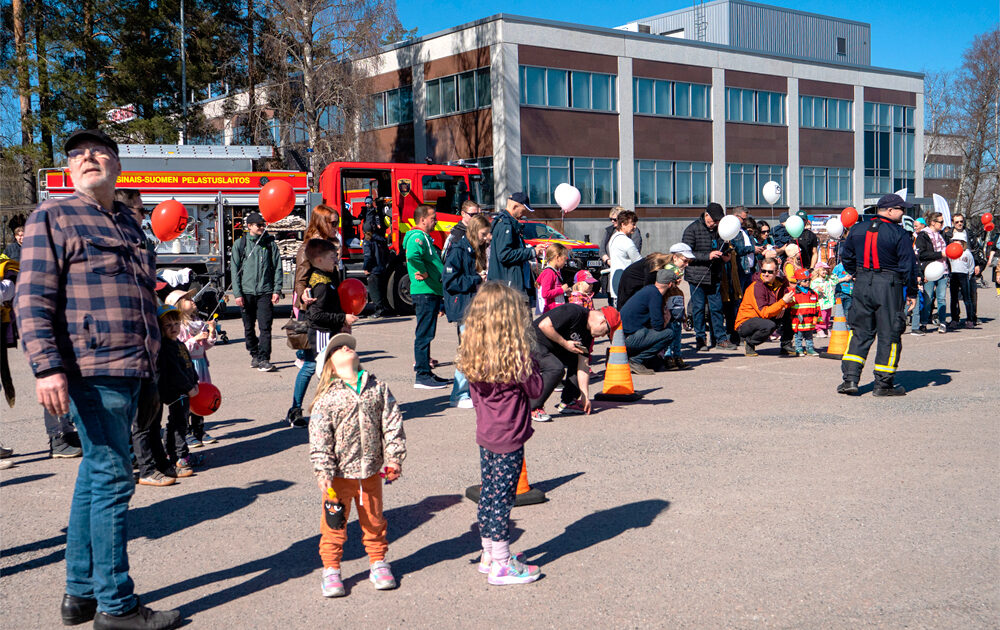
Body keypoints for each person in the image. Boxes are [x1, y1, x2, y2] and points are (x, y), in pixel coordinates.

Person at [14, 128, 180, 628]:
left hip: (134, 367)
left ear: (117, 166)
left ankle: (81, 593)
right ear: (69, 169)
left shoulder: (129, 222)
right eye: (78, 154)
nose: (88, 157)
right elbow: (31, 298)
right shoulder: (53, 216)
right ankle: (117, 605)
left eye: (99, 151)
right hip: (91, 370)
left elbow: (141, 294)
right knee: (113, 477)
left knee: (94, 476)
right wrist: (46, 367)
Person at [455, 283, 543, 585]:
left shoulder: (475, 357)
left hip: (487, 434)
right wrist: (532, 360)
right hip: (510, 438)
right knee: (503, 501)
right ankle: (503, 564)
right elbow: (536, 389)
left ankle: (489, 553)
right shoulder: (516, 358)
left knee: (489, 495)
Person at [309, 333, 405, 597]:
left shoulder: (378, 388)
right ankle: (331, 569)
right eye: (337, 348)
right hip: (338, 479)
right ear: (329, 366)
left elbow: (392, 423)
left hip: (370, 474)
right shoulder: (327, 398)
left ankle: (378, 563)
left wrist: (394, 458)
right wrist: (323, 471)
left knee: (375, 522)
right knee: (334, 526)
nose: (345, 347)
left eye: (348, 346)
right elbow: (319, 438)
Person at [837, 194, 918, 397]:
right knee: (889, 334)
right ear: (889, 211)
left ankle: (850, 380)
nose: (903, 213)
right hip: (889, 285)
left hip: (862, 283)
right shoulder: (900, 233)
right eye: (901, 209)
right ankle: (883, 384)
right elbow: (908, 266)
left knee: (859, 332)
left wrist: (857, 274)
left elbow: (846, 257)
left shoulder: (857, 229)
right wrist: (912, 292)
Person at [288, 238, 357, 426]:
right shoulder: (320, 284)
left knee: (329, 372)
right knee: (319, 370)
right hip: (320, 334)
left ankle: (330, 411)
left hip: (329, 331)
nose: (336, 259)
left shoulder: (329, 276)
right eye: (332, 256)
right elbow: (316, 315)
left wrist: (342, 321)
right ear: (319, 260)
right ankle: (304, 411)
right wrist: (342, 318)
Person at [528, 304, 617, 421]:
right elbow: (544, 325)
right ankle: (533, 407)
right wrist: (565, 343)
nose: (603, 336)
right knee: (555, 368)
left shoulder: (588, 336)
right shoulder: (574, 311)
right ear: (602, 322)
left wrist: (585, 396)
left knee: (577, 358)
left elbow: (584, 366)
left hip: (553, 347)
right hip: (531, 341)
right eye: (606, 332)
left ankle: (569, 401)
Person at [443, 213, 491, 408]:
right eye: (483, 234)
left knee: (476, 351)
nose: (486, 238)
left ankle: (470, 391)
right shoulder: (458, 250)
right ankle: (459, 394)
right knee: (468, 352)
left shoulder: (474, 249)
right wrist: (477, 279)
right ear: (474, 231)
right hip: (464, 307)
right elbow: (450, 281)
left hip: (474, 306)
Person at [405, 204, 450, 389]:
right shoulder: (417, 237)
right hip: (425, 292)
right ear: (422, 220)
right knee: (424, 334)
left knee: (427, 333)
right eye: (433, 218)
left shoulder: (424, 237)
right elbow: (412, 255)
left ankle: (427, 372)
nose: (436, 221)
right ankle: (422, 375)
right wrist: (423, 272)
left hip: (430, 291)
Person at [231, 211, 283, 372]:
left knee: (265, 327)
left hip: (265, 292)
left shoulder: (270, 244)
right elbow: (234, 270)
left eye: (263, 225)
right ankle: (254, 353)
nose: (262, 227)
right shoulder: (240, 244)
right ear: (249, 226)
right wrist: (237, 294)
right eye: (259, 225)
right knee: (248, 328)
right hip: (246, 292)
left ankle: (264, 358)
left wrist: (277, 289)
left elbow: (277, 267)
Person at [169, 289, 218, 447]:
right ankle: (186, 432)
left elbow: (205, 346)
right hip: (187, 366)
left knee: (200, 397)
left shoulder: (198, 322)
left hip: (200, 364)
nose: (193, 301)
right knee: (187, 400)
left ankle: (199, 430)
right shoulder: (179, 326)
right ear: (178, 305)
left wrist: (211, 333)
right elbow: (179, 349)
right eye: (188, 299)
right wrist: (195, 339)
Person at [157, 305, 202, 478]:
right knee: (179, 424)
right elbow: (175, 372)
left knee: (178, 421)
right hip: (177, 392)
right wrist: (188, 387)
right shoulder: (166, 347)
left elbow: (188, 365)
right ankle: (180, 456)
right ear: (161, 328)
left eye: (176, 323)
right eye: (168, 325)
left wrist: (195, 380)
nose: (173, 328)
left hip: (186, 389)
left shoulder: (179, 343)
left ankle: (173, 453)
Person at [682, 202, 733, 350]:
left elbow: (724, 246)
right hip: (696, 276)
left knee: (716, 308)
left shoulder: (719, 230)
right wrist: (707, 256)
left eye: (717, 221)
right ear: (706, 215)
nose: (715, 223)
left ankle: (720, 339)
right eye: (713, 220)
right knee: (698, 309)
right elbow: (686, 254)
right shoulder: (692, 229)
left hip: (714, 275)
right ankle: (700, 339)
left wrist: (725, 254)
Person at [487, 192, 547, 302]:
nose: (523, 214)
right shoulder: (506, 225)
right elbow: (505, 255)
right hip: (508, 285)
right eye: (523, 210)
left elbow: (511, 250)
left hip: (506, 283)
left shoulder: (505, 222)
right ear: (515, 206)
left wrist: (532, 249)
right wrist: (532, 252)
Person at [620, 267, 680, 374]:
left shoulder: (649, 290)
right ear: (670, 284)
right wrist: (667, 319)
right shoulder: (655, 295)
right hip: (628, 338)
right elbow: (658, 325)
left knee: (656, 364)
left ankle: (627, 357)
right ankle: (635, 360)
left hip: (623, 336)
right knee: (669, 333)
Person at [735, 258, 796, 357]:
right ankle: (750, 342)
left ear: (776, 272)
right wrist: (782, 302)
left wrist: (784, 306)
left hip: (764, 317)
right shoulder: (757, 286)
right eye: (763, 271)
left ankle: (786, 344)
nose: (766, 274)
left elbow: (790, 299)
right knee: (769, 325)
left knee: (789, 312)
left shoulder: (779, 283)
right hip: (746, 322)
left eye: (770, 272)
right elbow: (764, 312)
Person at [914, 211, 949, 334]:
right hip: (929, 271)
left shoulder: (942, 235)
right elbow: (922, 254)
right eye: (940, 222)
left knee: (941, 298)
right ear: (933, 222)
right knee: (928, 298)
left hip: (943, 270)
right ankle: (924, 323)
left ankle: (942, 322)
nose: (942, 224)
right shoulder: (923, 235)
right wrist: (940, 254)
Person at [360, 197, 390, 318]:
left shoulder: (367, 242)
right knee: (381, 289)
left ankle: (379, 310)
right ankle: (384, 308)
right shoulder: (379, 240)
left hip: (373, 269)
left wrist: (365, 268)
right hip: (381, 267)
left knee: (374, 291)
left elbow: (367, 256)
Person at [607, 210, 642, 306]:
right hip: (627, 285)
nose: (634, 227)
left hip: (616, 283)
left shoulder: (614, 238)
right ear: (623, 224)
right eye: (632, 224)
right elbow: (639, 262)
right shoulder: (626, 241)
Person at [948, 235, 978, 328]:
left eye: (959, 241)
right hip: (953, 275)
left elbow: (971, 265)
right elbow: (948, 263)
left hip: (964, 275)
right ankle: (954, 319)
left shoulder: (967, 253)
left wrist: (969, 275)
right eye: (955, 240)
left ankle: (970, 319)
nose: (957, 242)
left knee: (967, 298)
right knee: (954, 298)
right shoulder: (950, 251)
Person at [790, 269, 820, 357]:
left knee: (809, 336)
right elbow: (790, 306)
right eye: (805, 280)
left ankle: (810, 349)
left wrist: (817, 318)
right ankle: (798, 349)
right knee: (798, 336)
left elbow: (817, 306)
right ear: (798, 282)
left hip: (809, 320)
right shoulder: (794, 293)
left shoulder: (813, 293)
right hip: (799, 321)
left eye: (809, 280)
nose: (808, 282)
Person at [535, 242, 570, 313]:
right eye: (564, 259)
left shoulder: (555, 271)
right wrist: (562, 290)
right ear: (557, 257)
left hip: (557, 310)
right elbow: (545, 293)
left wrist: (565, 292)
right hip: (552, 311)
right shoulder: (549, 273)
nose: (565, 262)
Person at [809, 262, 837, 337]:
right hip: (821, 302)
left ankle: (826, 328)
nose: (825, 272)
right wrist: (818, 290)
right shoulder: (815, 281)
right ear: (818, 271)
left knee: (827, 316)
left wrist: (830, 273)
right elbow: (812, 291)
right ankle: (819, 329)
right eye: (823, 270)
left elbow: (835, 281)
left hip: (828, 302)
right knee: (822, 317)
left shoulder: (828, 279)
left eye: (826, 270)